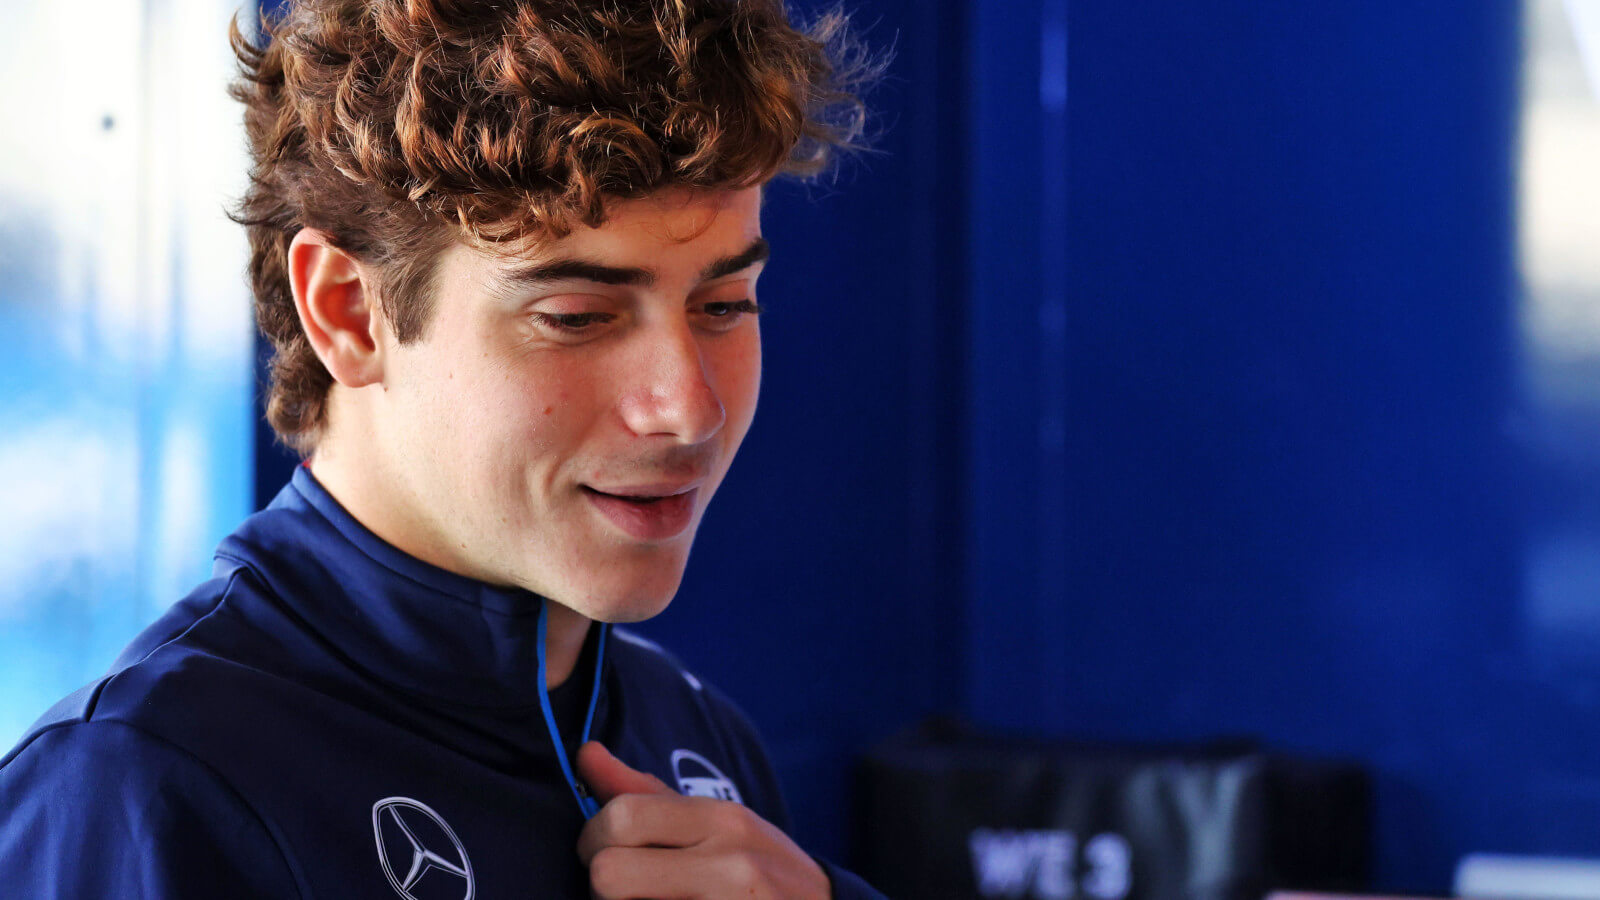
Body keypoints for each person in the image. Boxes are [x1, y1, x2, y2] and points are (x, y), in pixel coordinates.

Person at [0, 1, 887, 897]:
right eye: (576, 318)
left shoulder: (700, 739)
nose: (687, 409)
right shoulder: (143, 788)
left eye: (725, 305)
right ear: (348, 310)